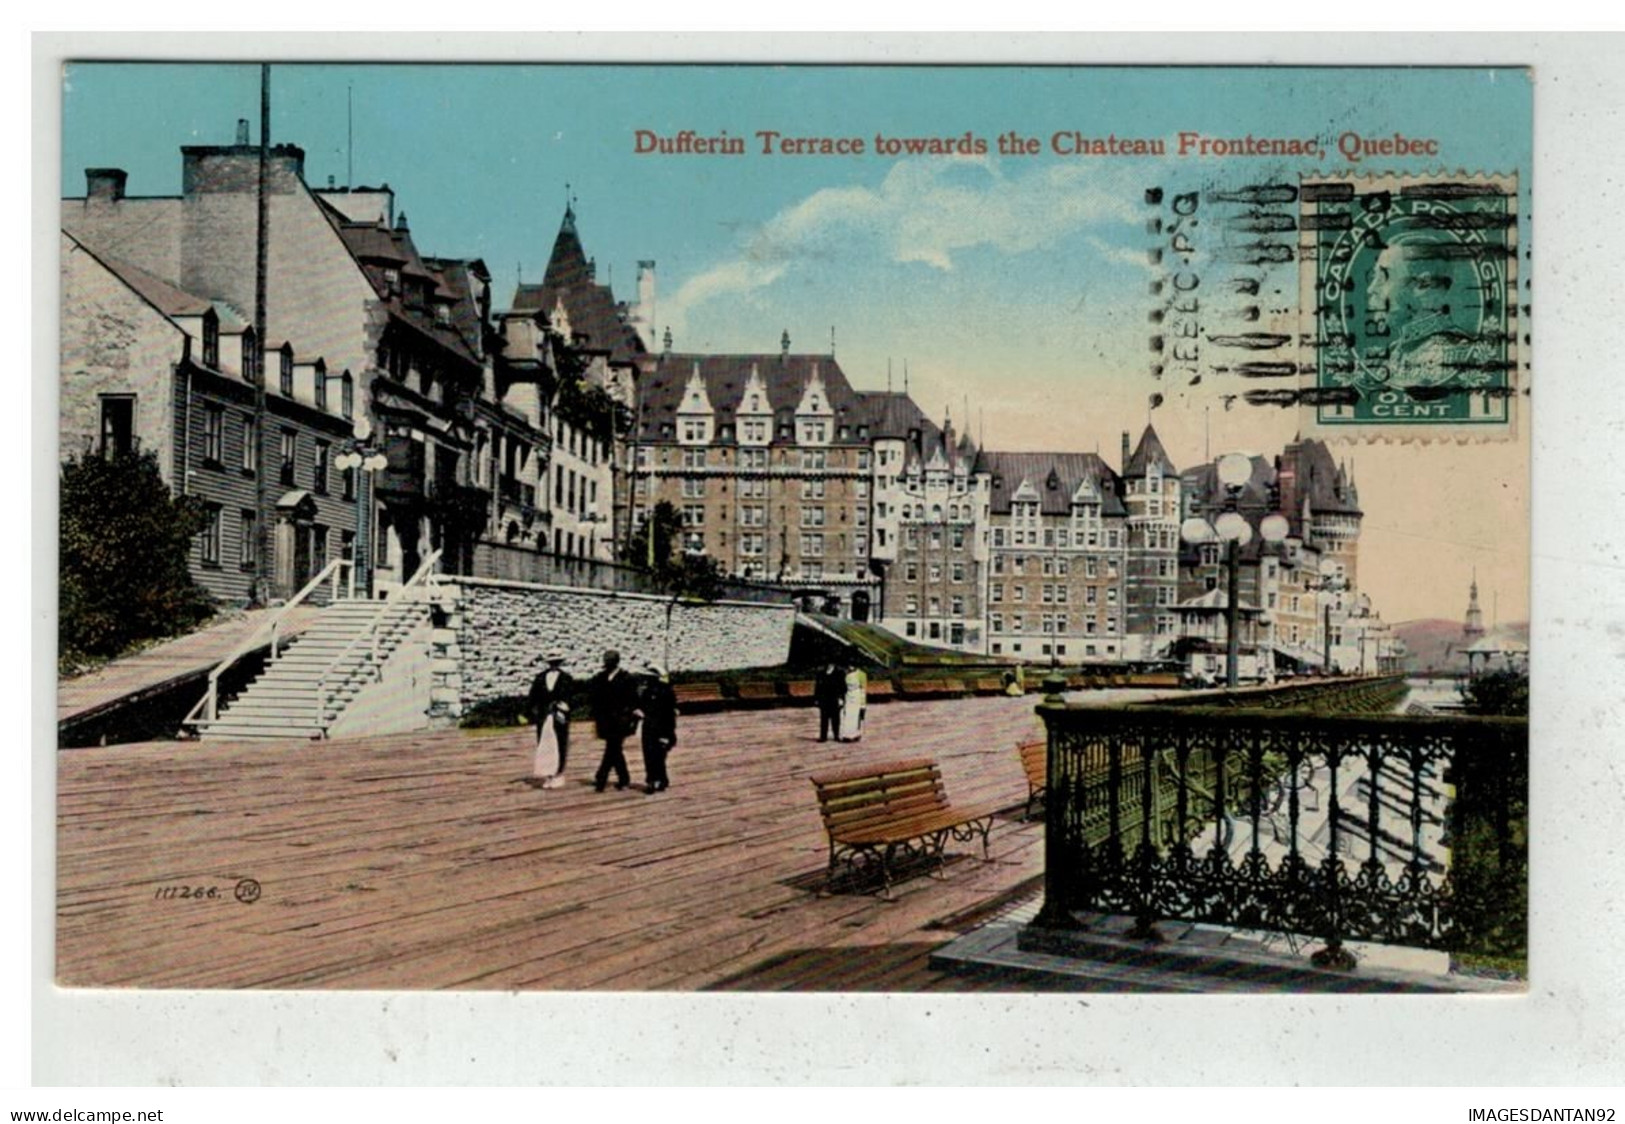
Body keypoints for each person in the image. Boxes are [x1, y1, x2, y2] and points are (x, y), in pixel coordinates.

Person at [589, 649, 641, 792]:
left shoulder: (626, 678)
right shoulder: (600, 678)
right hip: (605, 720)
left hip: (621, 719)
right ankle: (624, 779)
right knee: (615, 749)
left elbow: (633, 699)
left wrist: (632, 714)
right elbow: (594, 698)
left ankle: (601, 777)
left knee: (612, 747)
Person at [525, 650, 573, 788]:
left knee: (561, 743)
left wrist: (564, 707)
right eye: (552, 661)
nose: (554, 664)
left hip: (559, 715)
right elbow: (533, 697)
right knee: (545, 744)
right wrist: (531, 712)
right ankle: (548, 774)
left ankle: (559, 773)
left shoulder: (566, 678)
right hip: (544, 715)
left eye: (556, 661)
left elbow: (570, 696)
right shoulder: (540, 678)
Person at [639, 663, 678, 794]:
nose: (645, 679)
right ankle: (652, 780)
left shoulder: (665, 692)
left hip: (662, 728)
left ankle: (658, 779)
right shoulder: (646, 692)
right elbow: (642, 706)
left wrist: (667, 735)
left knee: (659, 755)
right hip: (648, 727)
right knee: (648, 754)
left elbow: (669, 715)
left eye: (649, 677)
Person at [814, 662, 845, 742]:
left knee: (836, 718)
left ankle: (836, 735)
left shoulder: (839, 673)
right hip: (824, 699)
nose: (829, 664)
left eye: (831, 663)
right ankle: (823, 736)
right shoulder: (821, 673)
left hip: (835, 698)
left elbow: (843, 687)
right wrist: (817, 699)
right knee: (824, 718)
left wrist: (841, 698)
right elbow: (817, 687)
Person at [838, 665, 866, 742]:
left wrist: (863, 703)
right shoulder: (845, 674)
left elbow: (863, 689)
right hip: (848, 695)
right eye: (849, 666)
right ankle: (847, 735)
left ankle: (856, 734)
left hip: (857, 695)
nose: (850, 667)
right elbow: (842, 687)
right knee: (847, 714)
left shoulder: (861, 674)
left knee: (855, 715)